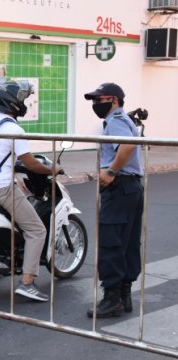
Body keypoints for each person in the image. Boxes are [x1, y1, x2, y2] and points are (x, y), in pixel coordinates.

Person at [0, 80, 60, 302]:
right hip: (0, 189)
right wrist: (53, 169)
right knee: (36, 230)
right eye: (21, 99)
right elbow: (31, 164)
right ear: (13, 103)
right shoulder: (12, 128)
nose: (23, 102)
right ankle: (27, 282)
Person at [84, 83, 144, 318]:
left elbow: (127, 145)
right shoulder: (122, 119)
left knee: (111, 242)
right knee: (128, 243)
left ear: (115, 100)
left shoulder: (116, 119)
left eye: (99, 100)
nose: (95, 104)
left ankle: (112, 299)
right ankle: (124, 296)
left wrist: (111, 172)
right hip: (131, 188)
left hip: (120, 188)